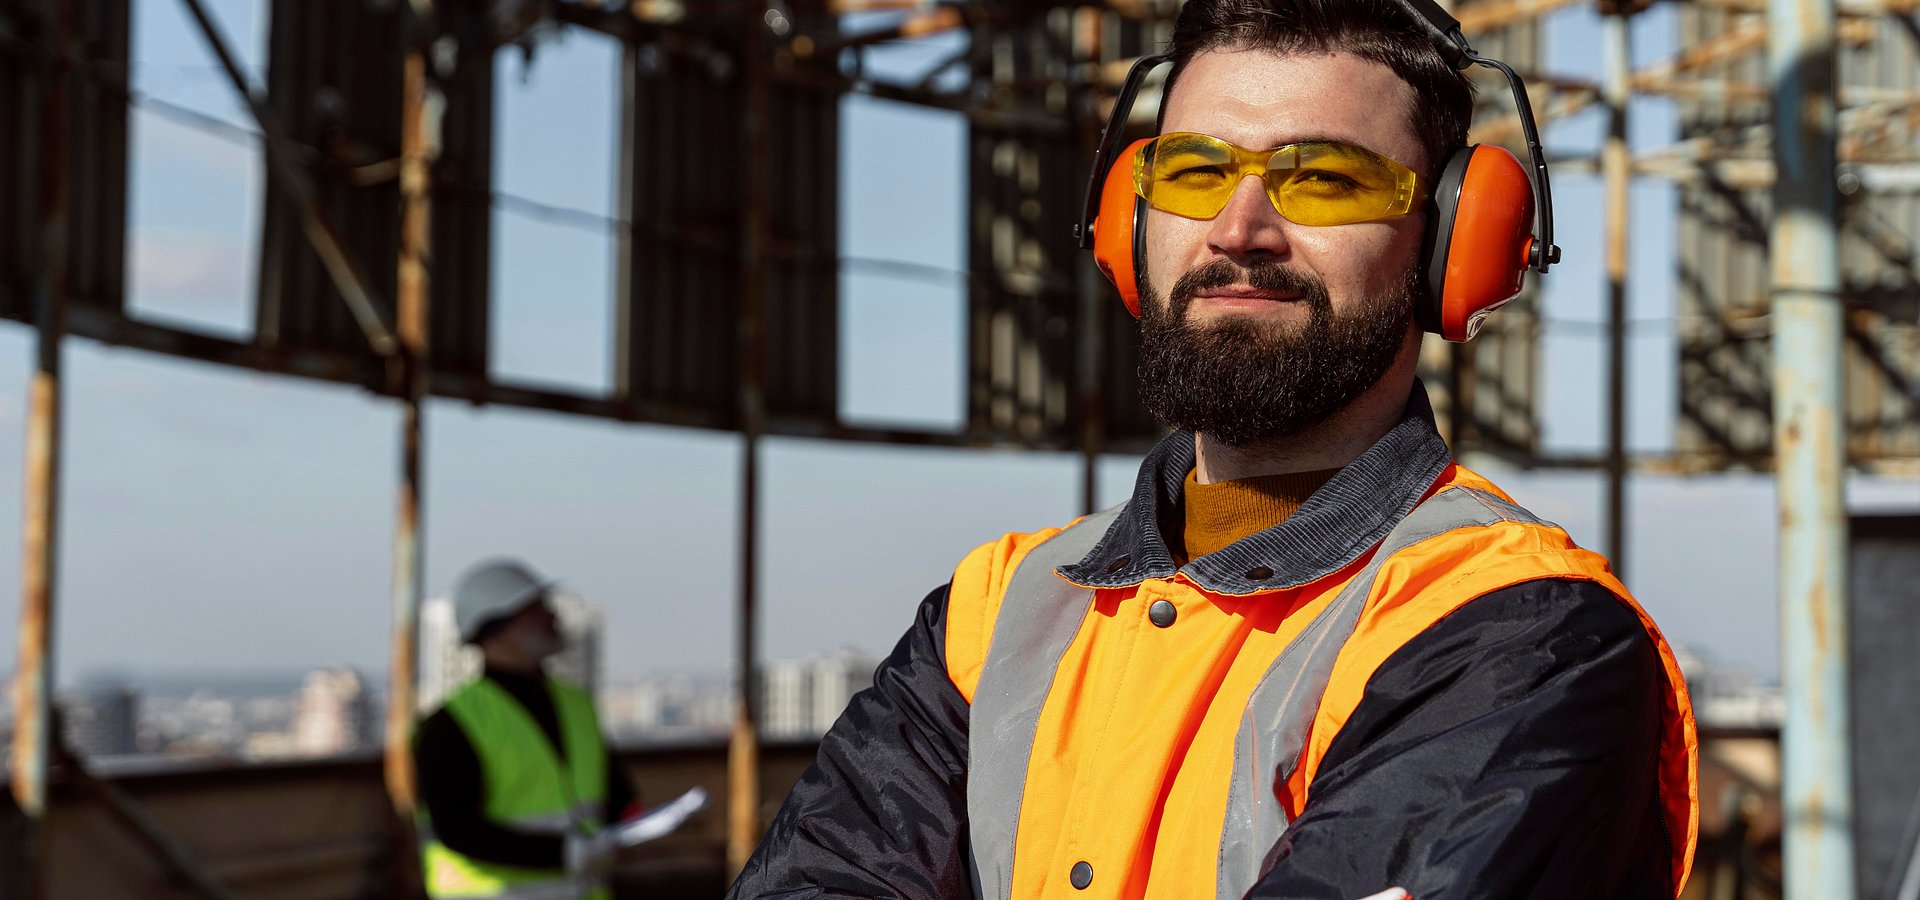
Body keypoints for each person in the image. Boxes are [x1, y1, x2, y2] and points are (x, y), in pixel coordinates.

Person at [728, 1, 1698, 898]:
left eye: (1322, 178)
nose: (1240, 230)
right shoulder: (996, 613)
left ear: (1453, 244)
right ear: (1125, 224)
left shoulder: (1521, 635)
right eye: (1193, 172)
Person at [415, 559, 639, 900]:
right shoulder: (448, 726)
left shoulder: (577, 705)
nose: (553, 616)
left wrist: (633, 822)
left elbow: (615, 792)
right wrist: (563, 852)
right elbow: (457, 830)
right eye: (536, 608)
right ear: (495, 626)